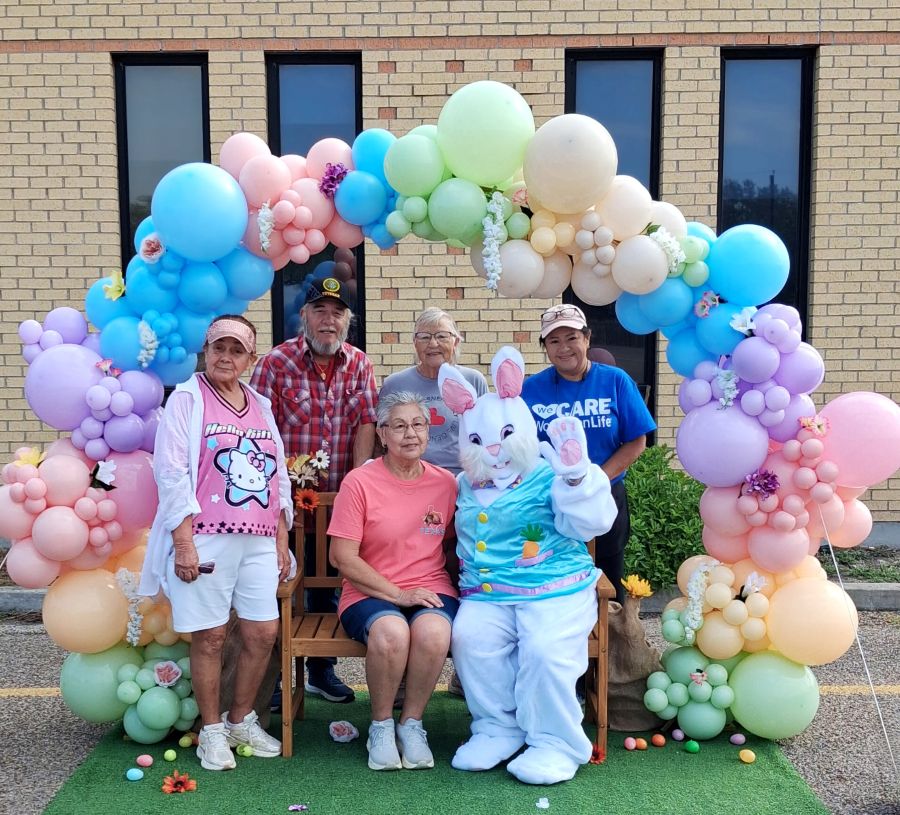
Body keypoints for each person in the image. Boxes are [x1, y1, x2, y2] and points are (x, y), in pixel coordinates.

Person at [439, 347, 617, 784]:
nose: (493, 449)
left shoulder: (547, 470)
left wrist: (578, 476)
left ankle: (556, 742)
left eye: (501, 434)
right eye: (478, 440)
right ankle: (497, 727)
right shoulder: (463, 482)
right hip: (490, 592)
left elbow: (591, 523)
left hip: (555, 585)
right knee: (469, 639)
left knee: (544, 650)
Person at [141, 315, 293, 771]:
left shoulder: (261, 405)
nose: (226, 357)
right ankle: (211, 731)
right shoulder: (187, 399)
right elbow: (170, 473)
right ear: (205, 351)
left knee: (262, 632)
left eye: (236, 350)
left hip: (261, 538)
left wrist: (282, 538)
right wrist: (183, 543)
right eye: (218, 347)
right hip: (206, 537)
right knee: (209, 637)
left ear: (251, 358)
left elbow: (278, 475)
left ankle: (240, 718)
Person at [250, 276, 378, 703]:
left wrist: (357, 484)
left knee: (326, 588)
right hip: (285, 505)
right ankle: (272, 679)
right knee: (277, 584)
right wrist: (278, 494)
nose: (328, 320)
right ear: (303, 316)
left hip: (337, 504)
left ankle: (320, 672)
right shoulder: (274, 363)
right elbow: (258, 432)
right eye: (319, 311)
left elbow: (366, 422)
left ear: (348, 321)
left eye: (337, 312)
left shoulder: (359, 363)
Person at [328, 392, 459, 771]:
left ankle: (412, 724)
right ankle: (381, 726)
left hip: (430, 585)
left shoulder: (446, 484)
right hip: (369, 590)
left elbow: (452, 544)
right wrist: (398, 594)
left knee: (434, 634)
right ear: (382, 434)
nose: (410, 434)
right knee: (391, 634)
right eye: (398, 426)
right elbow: (342, 557)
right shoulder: (360, 482)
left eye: (418, 424)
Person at [521, 303, 656, 604]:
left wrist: (594, 480)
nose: (564, 348)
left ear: (587, 338)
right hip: (552, 503)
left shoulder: (616, 381)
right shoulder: (530, 389)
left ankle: (609, 649)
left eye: (571, 338)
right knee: (556, 578)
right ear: (545, 347)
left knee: (608, 582)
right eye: (554, 341)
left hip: (605, 496)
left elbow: (637, 441)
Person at [379, 307, 487, 476]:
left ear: (456, 342)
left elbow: (487, 432)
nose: (433, 344)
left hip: (464, 477)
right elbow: (382, 439)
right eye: (424, 337)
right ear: (415, 343)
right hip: (411, 476)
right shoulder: (394, 384)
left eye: (442, 336)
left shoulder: (473, 380)